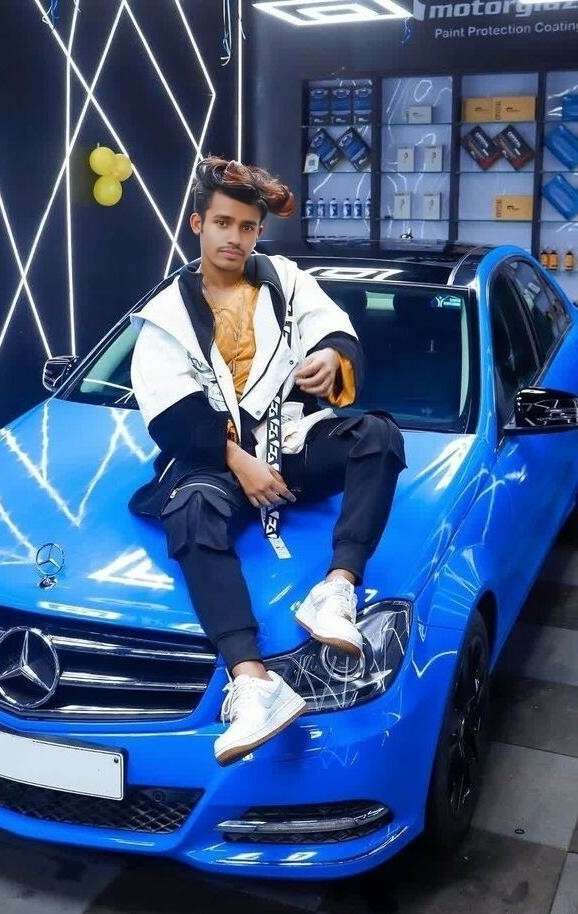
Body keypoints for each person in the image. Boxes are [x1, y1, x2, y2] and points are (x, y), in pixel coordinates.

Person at [129, 156, 407, 765]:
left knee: (379, 435)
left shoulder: (284, 280)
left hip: (289, 442)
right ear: (198, 224)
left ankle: (336, 590)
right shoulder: (164, 315)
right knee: (192, 510)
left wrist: (332, 357)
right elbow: (171, 415)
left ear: (258, 231)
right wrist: (239, 462)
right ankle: (254, 682)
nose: (234, 237)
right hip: (214, 460)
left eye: (248, 226)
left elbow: (331, 325)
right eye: (222, 223)